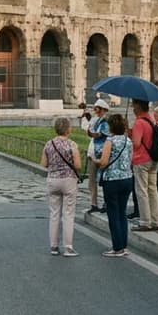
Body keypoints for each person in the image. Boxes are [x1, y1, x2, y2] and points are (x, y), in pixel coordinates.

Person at [40, 116, 82, 257]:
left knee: (54, 214)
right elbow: (77, 165)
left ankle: (53, 246)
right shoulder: (72, 145)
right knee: (68, 214)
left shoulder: (49, 144)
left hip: (53, 180)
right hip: (69, 180)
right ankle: (68, 247)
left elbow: (44, 164)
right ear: (67, 129)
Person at [96, 113, 134, 258]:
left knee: (113, 213)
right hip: (127, 178)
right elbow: (130, 159)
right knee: (122, 213)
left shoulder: (109, 141)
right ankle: (123, 246)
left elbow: (104, 161)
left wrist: (95, 159)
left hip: (112, 179)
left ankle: (117, 247)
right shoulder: (128, 140)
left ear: (111, 126)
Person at [130, 99, 158, 232]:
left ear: (138, 106)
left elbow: (136, 143)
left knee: (142, 190)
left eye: (134, 105)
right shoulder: (152, 119)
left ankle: (145, 221)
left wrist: (130, 136)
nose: (132, 108)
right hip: (154, 158)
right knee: (153, 190)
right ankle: (155, 220)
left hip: (141, 159)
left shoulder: (139, 122)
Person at [85, 99, 110, 214]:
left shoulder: (105, 122)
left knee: (103, 179)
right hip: (92, 153)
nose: (95, 110)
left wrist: (90, 133)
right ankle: (93, 203)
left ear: (103, 110)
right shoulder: (96, 120)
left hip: (100, 153)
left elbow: (98, 134)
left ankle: (106, 202)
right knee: (92, 180)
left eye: (96, 108)